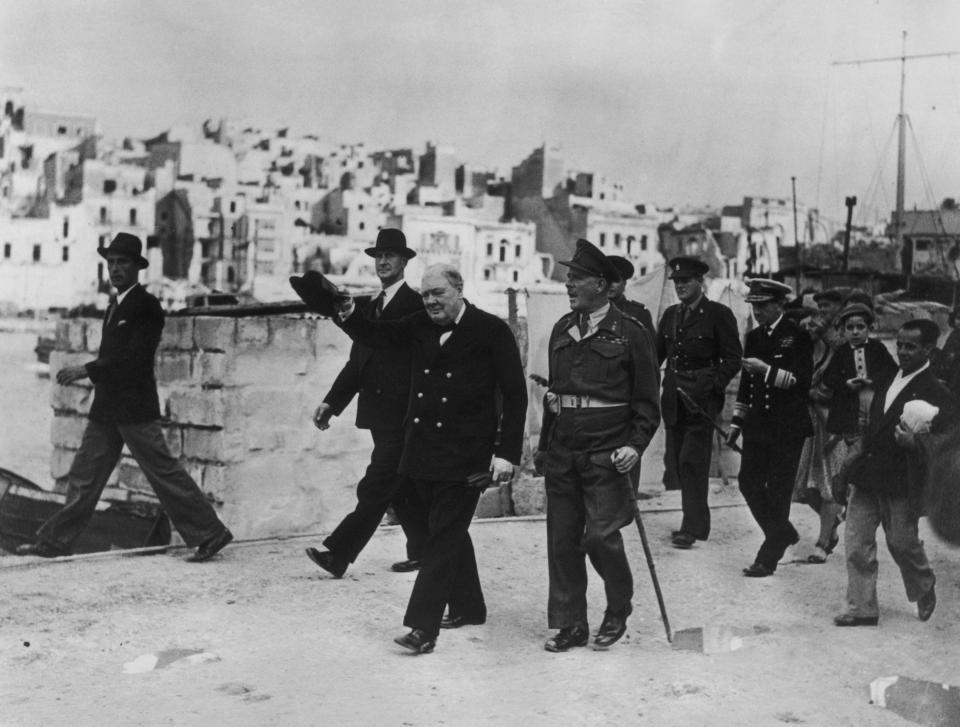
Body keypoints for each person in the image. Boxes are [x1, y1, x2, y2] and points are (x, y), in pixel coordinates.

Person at [315, 262, 527, 654]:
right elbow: (375, 335)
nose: (430, 301)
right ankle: (469, 605)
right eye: (426, 294)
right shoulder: (418, 324)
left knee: (442, 540)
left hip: (467, 458)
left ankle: (422, 628)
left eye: (438, 294)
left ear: (459, 290)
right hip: (421, 451)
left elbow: (515, 395)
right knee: (439, 532)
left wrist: (506, 454)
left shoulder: (492, 330)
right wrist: (346, 314)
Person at [16, 233, 233, 562]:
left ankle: (211, 533)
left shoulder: (146, 306)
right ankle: (54, 542)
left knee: (163, 473)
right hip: (107, 408)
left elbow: (135, 358)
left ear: (137, 268)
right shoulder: (115, 305)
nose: (115, 269)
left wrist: (86, 370)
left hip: (133, 409)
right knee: (84, 477)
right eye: (111, 263)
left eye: (123, 263)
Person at [535, 239, 661, 652]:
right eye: (568, 277)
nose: (568, 284)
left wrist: (636, 446)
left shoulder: (631, 333)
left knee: (600, 537)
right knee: (563, 539)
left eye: (577, 278)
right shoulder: (561, 329)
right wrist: (544, 444)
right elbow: (555, 394)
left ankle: (618, 606)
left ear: (604, 286)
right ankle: (571, 624)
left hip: (609, 452)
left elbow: (647, 403)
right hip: (564, 448)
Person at [304, 229, 426, 578]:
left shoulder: (414, 305)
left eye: (391, 255)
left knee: (376, 484)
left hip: (404, 415)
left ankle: (338, 553)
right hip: (379, 414)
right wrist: (332, 402)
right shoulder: (370, 307)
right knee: (401, 488)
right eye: (378, 256)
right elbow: (358, 364)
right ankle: (424, 550)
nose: (383, 261)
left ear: (405, 262)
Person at [834, 319, 956, 627]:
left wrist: (916, 441)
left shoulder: (936, 391)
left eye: (910, 346)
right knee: (856, 542)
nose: (902, 351)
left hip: (902, 479)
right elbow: (872, 427)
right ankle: (862, 608)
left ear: (929, 349)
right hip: (868, 474)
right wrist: (847, 466)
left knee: (901, 542)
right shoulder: (888, 378)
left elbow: (951, 440)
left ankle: (923, 583)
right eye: (899, 344)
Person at [655, 256, 742, 549]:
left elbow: (732, 358)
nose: (680, 286)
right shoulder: (669, 315)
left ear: (699, 282)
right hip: (674, 400)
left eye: (685, 281)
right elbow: (656, 357)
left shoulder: (717, 314)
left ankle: (691, 527)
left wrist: (712, 386)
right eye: (676, 282)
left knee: (692, 463)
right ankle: (691, 521)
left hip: (701, 401)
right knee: (678, 465)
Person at [728, 278, 813, 577]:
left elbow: (803, 383)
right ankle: (783, 532)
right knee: (748, 482)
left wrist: (767, 371)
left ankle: (768, 556)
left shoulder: (798, 337)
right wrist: (737, 422)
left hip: (787, 426)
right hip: (758, 426)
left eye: (763, 305)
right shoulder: (753, 337)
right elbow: (746, 386)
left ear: (780, 305)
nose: (757, 311)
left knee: (778, 490)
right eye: (753, 306)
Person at [606, 255, 656, 334]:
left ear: (624, 283)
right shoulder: (592, 310)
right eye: (608, 280)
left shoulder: (639, 313)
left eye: (616, 280)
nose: (611, 285)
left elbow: (650, 344)